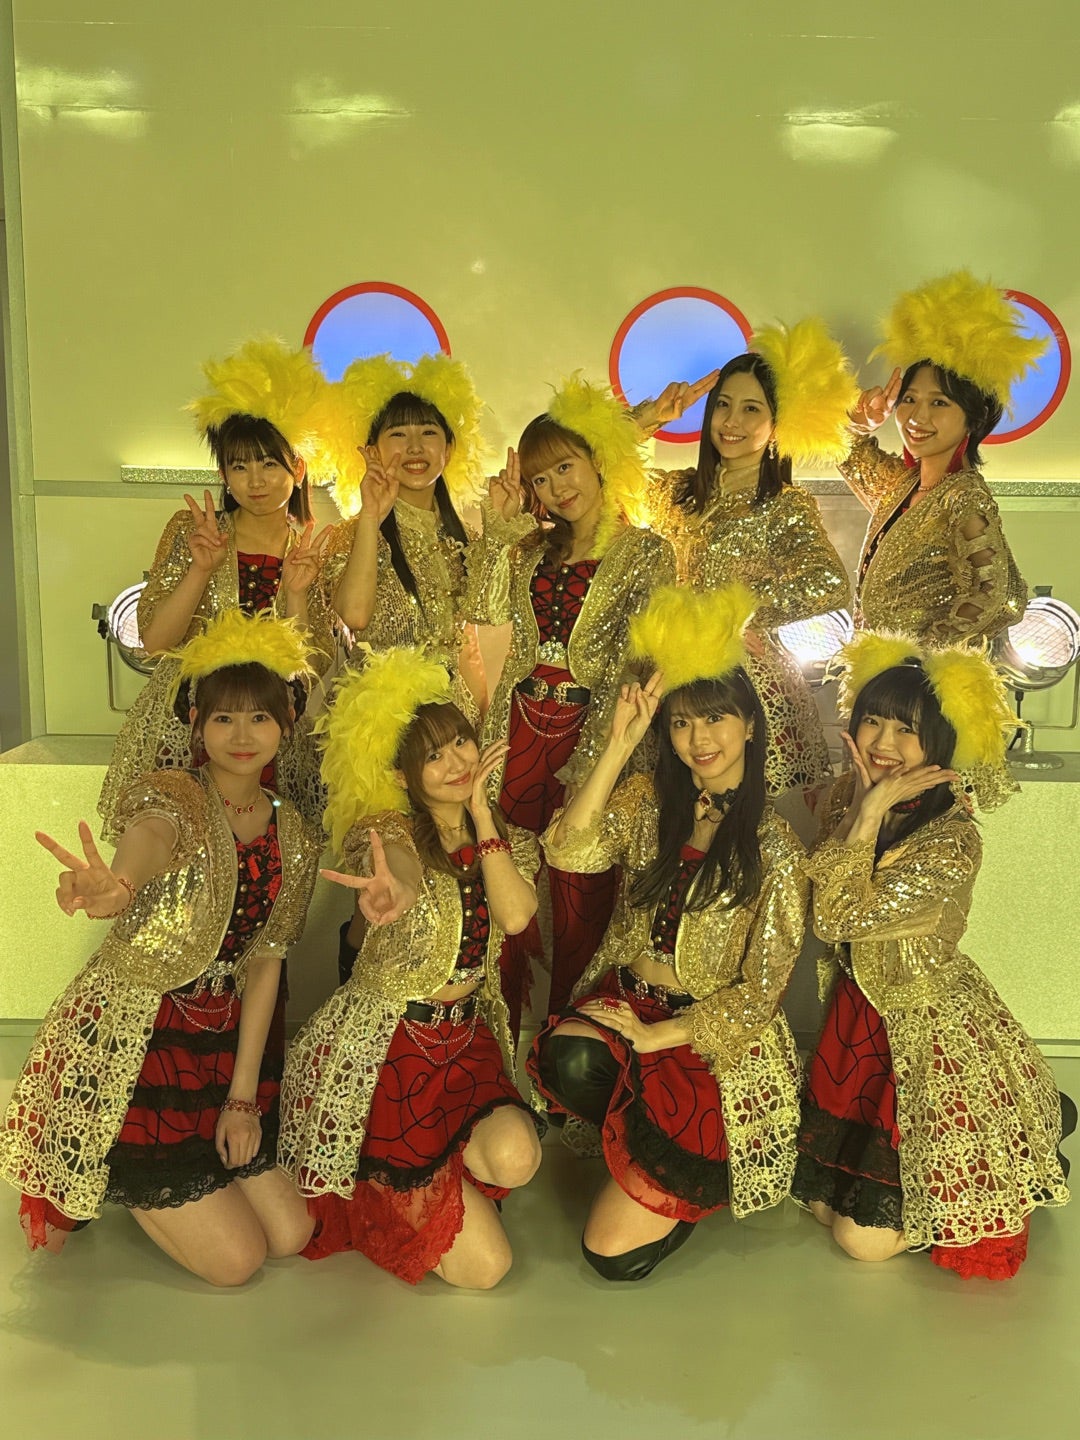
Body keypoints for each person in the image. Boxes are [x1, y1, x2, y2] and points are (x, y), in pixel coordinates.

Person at [0, 612, 323, 1285]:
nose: (242, 735)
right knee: (238, 1262)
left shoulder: (292, 830)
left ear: (285, 725)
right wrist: (117, 885)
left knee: (291, 1235)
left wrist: (242, 1099)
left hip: (223, 1038)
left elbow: (268, 959)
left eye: (259, 718)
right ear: (197, 724)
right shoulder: (174, 793)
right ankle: (117, 1157)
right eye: (224, 718)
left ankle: (195, 1168)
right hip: (144, 1035)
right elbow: (151, 835)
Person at [529, 584, 808, 1281]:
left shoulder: (775, 846)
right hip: (629, 1005)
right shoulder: (649, 801)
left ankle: (681, 1184)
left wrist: (664, 1037)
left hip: (707, 1041)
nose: (699, 739)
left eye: (715, 717)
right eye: (682, 723)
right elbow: (567, 852)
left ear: (750, 723)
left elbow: (761, 993)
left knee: (612, 1260)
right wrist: (618, 747)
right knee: (568, 1058)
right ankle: (640, 1155)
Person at [792, 632, 1070, 1278]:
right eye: (873, 721)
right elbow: (819, 909)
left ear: (938, 743)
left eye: (906, 729)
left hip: (926, 1032)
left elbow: (835, 916)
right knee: (818, 1204)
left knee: (860, 1242)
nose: (883, 742)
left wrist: (867, 815)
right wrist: (863, 808)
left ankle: (1021, 1145)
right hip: (857, 1022)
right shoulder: (847, 795)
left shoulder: (952, 840)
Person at [279, 649, 543, 1289]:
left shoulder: (506, 838)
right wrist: (393, 889)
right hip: (388, 1049)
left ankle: (434, 1177)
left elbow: (515, 917)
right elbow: (392, 860)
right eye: (433, 756)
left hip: (466, 1043)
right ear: (403, 775)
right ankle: (392, 1179)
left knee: (518, 1157)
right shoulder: (386, 828)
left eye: (460, 742)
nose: (456, 763)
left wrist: (482, 815)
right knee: (487, 1271)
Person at [465, 374, 677, 1027]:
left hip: (596, 731)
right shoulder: (528, 549)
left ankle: (569, 1038)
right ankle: (500, 1035)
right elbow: (483, 608)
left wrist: (609, 756)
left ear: (596, 460)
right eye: (541, 478)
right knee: (503, 878)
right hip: (520, 727)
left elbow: (644, 659)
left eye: (565, 466)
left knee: (582, 891)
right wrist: (499, 532)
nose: (557, 487)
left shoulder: (646, 551)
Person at [98, 337, 336, 836]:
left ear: (297, 468)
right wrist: (201, 569)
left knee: (263, 851)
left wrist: (296, 591)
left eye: (269, 463)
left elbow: (309, 670)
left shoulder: (307, 551)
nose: (255, 480)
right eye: (239, 466)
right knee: (184, 846)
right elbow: (155, 642)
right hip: (190, 727)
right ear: (224, 473)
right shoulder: (194, 532)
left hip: (270, 737)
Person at [645, 320, 855, 800]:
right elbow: (599, 471)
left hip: (748, 688)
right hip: (674, 680)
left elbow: (829, 583)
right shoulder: (676, 492)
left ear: (777, 424)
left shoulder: (784, 503)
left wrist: (736, 615)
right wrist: (651, 418)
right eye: (723, 405)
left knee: (750, 820)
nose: (731, 421)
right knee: (671, 814)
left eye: (751, 409)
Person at [841, 270, 1041, 643]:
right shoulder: (905, 485)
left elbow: (994, 596)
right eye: (910, 399)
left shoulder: (963, 497)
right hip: (874, 666)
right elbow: (848, 452)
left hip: (917, 676)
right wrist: (860, 423)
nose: (917, 417)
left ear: (973, 417)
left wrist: (923, 653)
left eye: (939, 403)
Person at [319, 352, 488, 712]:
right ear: (373, 451)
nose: (414, 447)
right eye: (398, 433)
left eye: (428, 432)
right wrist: (370, 517)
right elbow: (355, 616)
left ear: (448, 449)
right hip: (376, 721)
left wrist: (484, 723)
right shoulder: (353, 532)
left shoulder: (467, 539)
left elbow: (467, 648)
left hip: (450, 720)